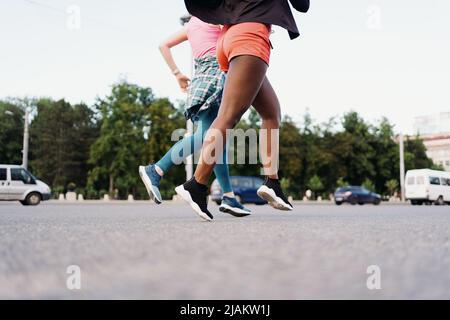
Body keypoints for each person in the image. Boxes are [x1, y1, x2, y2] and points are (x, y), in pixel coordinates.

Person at [175, 0, 310, 219]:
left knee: (271, 113)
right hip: (250, 36)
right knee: (228, 116)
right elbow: (302, 5)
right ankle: (196, 184)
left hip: (229, 36)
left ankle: (272, 182)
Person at [139, 14, 251, 218]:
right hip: (215, 73)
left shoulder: (192, 25)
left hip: (200, 77)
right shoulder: (216, 18)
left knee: (217, 140)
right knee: (209, 137)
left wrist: (177, 74)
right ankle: (156, 169)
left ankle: (228, 197)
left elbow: (163, 45)